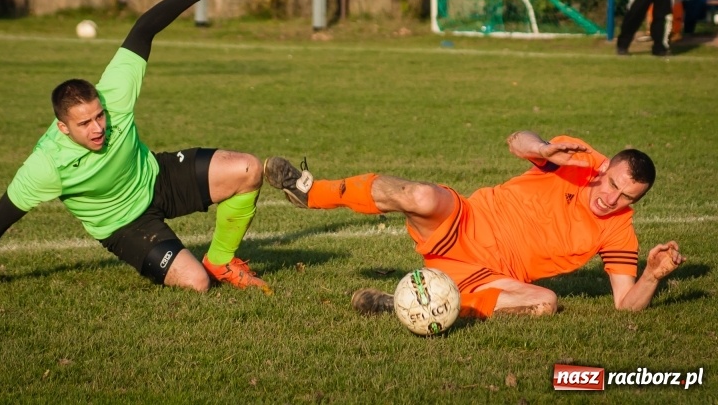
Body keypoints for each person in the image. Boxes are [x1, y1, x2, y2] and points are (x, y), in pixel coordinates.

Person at [0, 0, 272, 296]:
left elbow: (144, 28)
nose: (98, 127)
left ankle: (222, 260)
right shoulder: (47, 165)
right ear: (63, 128)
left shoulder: (114, 94)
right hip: (124, 225)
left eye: (99, 116)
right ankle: (200, 267)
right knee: (196, 283)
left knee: (247, 168)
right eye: (84, 123)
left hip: (155, 176)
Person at [263, 131, 685, 319]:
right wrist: (541, 148)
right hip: (467, 221)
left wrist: (651, 275)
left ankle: (415, 307)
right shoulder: (575, 158)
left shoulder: (619, 229)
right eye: (612, 184)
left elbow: (625, 305)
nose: (612, 199)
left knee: (545, 302)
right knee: (421, 195)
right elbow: (517, 140)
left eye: (627, 197)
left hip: (488, 277)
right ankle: (310, 192)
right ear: (607, 165)